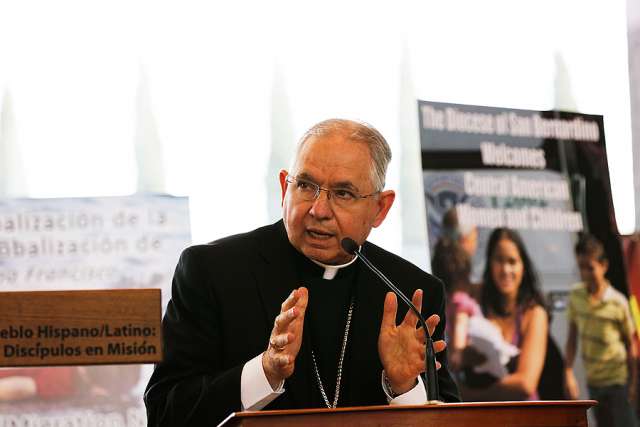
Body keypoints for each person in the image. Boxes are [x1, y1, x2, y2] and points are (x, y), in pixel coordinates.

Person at [144, 119, 459, 426]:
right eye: (306, 186)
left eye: (343, 193)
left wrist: (404, 387)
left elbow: (454, 420)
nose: (318, 210)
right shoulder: (213, 271)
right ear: (284, 187)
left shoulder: (412, 293)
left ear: (380, 208)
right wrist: (265, 372)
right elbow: (165, 412)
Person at [459, 227, 548, 401]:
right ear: (489, 263)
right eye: (499, 260)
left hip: (523, 415)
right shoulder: (474, 297)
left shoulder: (534, 313)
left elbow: (525, 384)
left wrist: (471, 397)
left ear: (523, 266)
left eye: (512, 261)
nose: (506, 270)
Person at [564, 233, 638, 427]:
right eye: (581, 267)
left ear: (603, 266)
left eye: (590, 267)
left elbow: (631, 346)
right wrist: (569, 372)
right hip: (594, 383)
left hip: (617, 382)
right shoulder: (576, 296)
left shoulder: (617, 301)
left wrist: (633, 383)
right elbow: (572, 339)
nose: (586, 273)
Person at [431, 237, 481, 372]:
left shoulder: (448, 302)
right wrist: (458, 354)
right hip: (473, 367)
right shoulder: (461, 302)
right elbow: (460, 329)